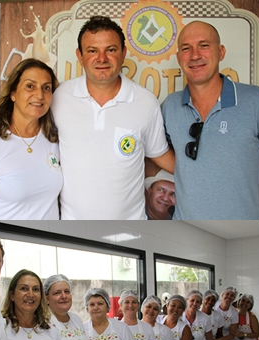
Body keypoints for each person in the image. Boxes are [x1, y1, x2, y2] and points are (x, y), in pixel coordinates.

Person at [160, 20, 259, 220]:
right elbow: (154, 152)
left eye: (204, 45)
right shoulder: (170, 106)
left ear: (221, 52)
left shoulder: (256, 100)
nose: (195, 55)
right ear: (179, 58)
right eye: (186, 48)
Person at [51, 16, 173, 220]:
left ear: (123, 53)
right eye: (92, 51)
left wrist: (205, 176)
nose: (102, 58)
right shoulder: (59, 97)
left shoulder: (146, 102)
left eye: (111, 49)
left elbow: (159, 154)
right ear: (79, 56)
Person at [0, 59, 62, 220]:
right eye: (30, 86)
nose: (40, 95)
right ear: (13, 93)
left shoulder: (55, 140)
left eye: (47, 88)